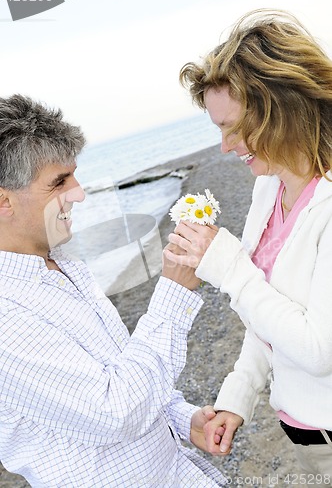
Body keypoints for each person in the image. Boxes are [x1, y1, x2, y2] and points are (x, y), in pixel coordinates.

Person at [0, 94, 227, 487]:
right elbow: (114, 410)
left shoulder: (65, 266)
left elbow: (118, 367)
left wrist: (179, 417)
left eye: (74, 174)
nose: (80, 193)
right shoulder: (7, 317)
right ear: (4, 201)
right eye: (59, 182)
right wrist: (173, 291)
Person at [165, 9, 332, 481]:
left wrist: (228, 264)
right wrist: (236, 399)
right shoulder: (269, 187)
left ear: (284, 106)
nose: (223, 147)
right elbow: (268, 320)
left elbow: (320, 349)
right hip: (304, 435)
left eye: (233, 127)